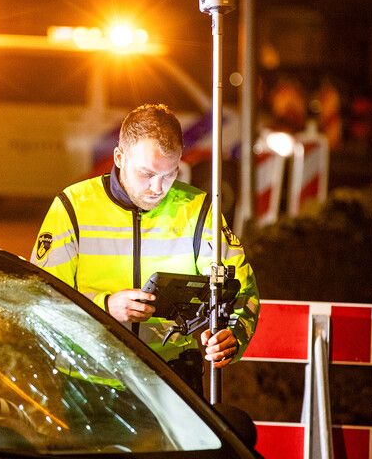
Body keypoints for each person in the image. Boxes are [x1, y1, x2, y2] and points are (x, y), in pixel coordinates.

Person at [31, 103, 260, 395]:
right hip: (89, 379)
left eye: (169, 175)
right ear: (118, 157)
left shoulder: (197, 209)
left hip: (173, 382)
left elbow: (241, 289)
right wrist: (105, 307)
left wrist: (233, 336)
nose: (157, 187)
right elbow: (39, 299)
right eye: (146, 173)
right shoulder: (73, 206)